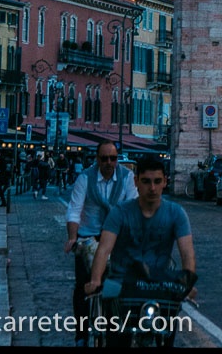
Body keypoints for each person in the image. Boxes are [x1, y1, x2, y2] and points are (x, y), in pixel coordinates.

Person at [84, 154, 196, 348]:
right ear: (136, 182)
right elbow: (104, 249)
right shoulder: (120, 212)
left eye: (157, 181)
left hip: (159, 281)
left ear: (164, 182)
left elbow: (187, 252)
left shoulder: (176, 213)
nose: (152, 188)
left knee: (169, 325)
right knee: (115, 335)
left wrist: (188, 282)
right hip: (122, 280)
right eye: (146, 182)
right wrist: (95, 280)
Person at [65, 140, 138, 347]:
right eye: (104, 158)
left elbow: (133, 207)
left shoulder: (127, 178)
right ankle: (80, 335)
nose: (108, 162)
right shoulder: (84, 179)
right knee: (82, 287)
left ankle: (115, 328)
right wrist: (73, 237)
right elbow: (74, 210)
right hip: (89, 236)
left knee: (118, 285)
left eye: (113, 158)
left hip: (116, 237)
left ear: (117, 159)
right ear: (97, 159)